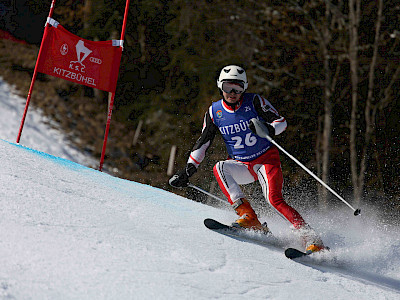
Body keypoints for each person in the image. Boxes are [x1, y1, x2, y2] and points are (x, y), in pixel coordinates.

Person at [169, 65, 325, 254]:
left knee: (273, 199)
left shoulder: (255, 101)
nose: (232, 93)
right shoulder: (214, 112)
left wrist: (270, 129)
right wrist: (189, 168)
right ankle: (248, 216)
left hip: (266, 160)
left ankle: (312, 239)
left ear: (245, 87)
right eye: (227, 88)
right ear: (220, 86)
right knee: (219, 168)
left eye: (238, 88)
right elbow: (204, 141)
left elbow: (280, 121)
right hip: (242, 164)